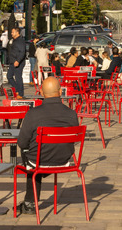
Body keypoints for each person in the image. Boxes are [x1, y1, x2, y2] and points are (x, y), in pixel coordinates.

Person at [16, 77, 79, 215]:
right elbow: (75, 140)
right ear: (60, 92)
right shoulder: (71, 114)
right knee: (36, 153)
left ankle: (30, 203)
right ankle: (30, 202)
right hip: (64, 160)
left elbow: (22, 142)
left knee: (30, 154)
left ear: (42, 93)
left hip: (38, 161)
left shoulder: (33, 113)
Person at [7, 27, 26, 98]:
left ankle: (20, 93)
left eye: (13, 32)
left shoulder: (20, 41)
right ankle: (17, 89)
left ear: (17, 32)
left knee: (18, 78)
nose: (11, 33)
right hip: (12, 61)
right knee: (9, 76)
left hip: (18, 62)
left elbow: (22, 52)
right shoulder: (14, 40)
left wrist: (18, 60)